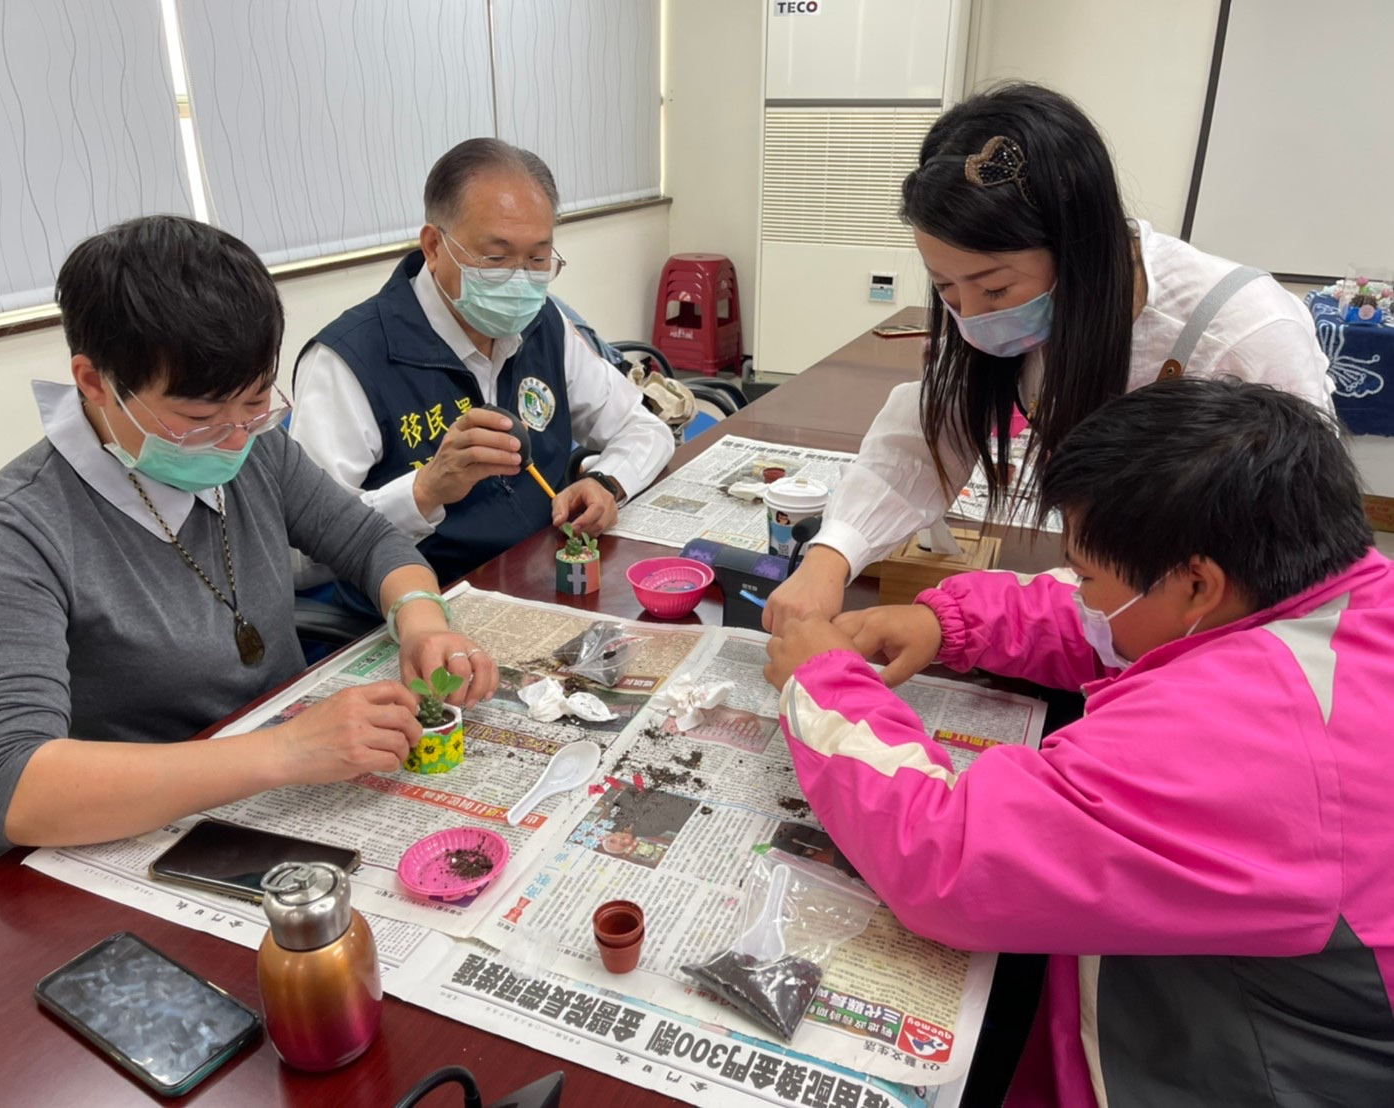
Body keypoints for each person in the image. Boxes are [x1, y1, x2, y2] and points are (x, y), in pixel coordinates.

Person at [763, 378, 1394, 1104]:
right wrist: (950, 623)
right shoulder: (1329, 595)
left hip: (1232, 1066)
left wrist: (821, 683)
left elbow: (949, 860)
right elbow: (1118, 623)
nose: (1082, 592)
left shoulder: (1252, 737)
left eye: (1091, 574)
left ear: (1196, 584)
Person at [0, 216, 498, 852]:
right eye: (198, 418)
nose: (236, 438)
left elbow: (372, 542)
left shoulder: (255, 451)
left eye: (257, 402)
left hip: (296, 785)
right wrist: (283, 751)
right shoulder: (14, 530)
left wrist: (422, 620)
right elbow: (5, 786)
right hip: (144, 835)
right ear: (94, 382)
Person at [765, 82, 1332, 630]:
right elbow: (930, 435)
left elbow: (1299, 537)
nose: (972, 316)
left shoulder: (1244, 329)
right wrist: (829, 557)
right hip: (1105, 609)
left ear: (1079, 246)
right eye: (945, 288)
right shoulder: (1010, 317)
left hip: (1211, 625)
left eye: (994, 289)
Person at [291, 138, 675, 583]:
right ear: (434, 246)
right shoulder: (349, 360)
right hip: (425, 604)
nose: (520, 280)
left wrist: (607, 482)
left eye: (537, 258)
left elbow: (643, 427)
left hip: (542, 575)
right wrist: (423, 492)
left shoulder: (543, 324)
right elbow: (302, 551)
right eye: (495, 258)